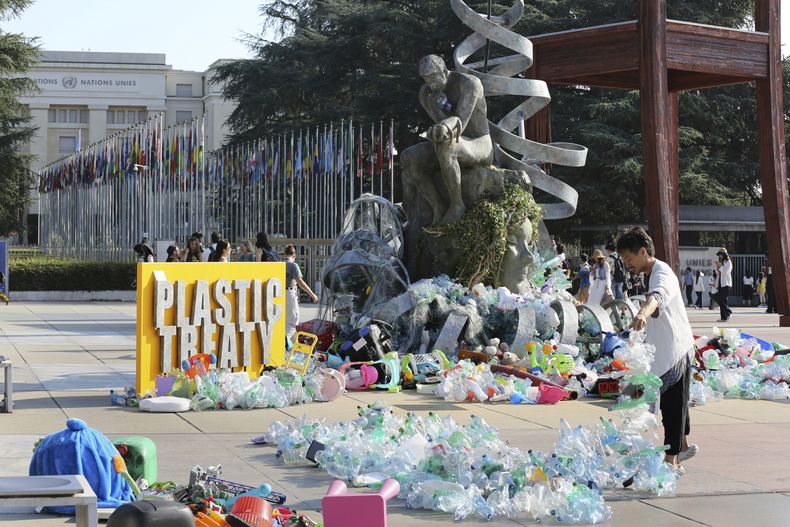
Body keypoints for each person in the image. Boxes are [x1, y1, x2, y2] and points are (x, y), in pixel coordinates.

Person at [617, 227, 696, 472]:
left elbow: (657, 297)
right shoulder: (650, 273)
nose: (627, 265)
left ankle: (671, 460)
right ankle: (681, 445)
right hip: (662, 350)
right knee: (672, 403)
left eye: (629, 259)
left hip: (674, 351)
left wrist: (642, 312)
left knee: (673, 404)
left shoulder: (662, 273)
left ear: (643, 252)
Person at [400, 54, 495, 225]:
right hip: (454, 139)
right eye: (426, 80)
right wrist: (435, 108)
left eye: (433, 78)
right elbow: (440, 124)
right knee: (409, 157)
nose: (430, 84)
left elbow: (460, 123)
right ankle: (438, 206)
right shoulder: (427, 93)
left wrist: (442, 127)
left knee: (446, 145)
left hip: (478, 142)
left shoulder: (469, 84)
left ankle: (457, 204)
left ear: (443, 71)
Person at [284, 244, 318, 337]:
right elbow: (301, 283)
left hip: (278, 293)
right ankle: (285, 345)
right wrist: (312, 294)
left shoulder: (279, 264)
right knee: (293, 322)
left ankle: (281, 344)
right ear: (294, 256)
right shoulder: (293, 265)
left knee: (282, 322)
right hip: (289, 293)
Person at [715, 247, 733, 322]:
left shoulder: (728, 262)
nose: (720, 256)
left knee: (723, 300)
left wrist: (720, 266)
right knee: (720, 300)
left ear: (724, 255)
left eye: (721, 255)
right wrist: (717, 266)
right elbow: (718, 273)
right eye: (719, 255)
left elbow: (725, 272)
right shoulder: (722, 263)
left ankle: (728, 312)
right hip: (721, 283)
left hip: (726, 284)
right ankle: (723, 317)